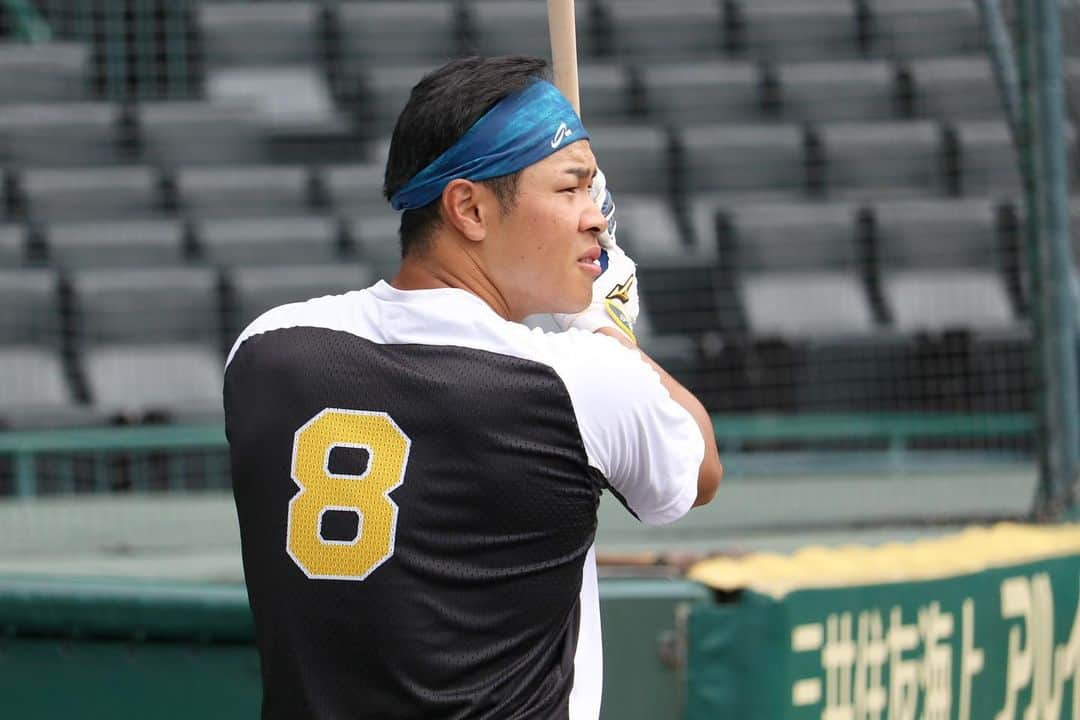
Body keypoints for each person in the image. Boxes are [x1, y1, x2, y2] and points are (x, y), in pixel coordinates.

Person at [224, 55, 722, 720]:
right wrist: (607, 331)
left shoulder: (265, 348)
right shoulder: (576, 380)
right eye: (570, 190)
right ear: (469, 208)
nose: (597, 219)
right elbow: (698, 472)